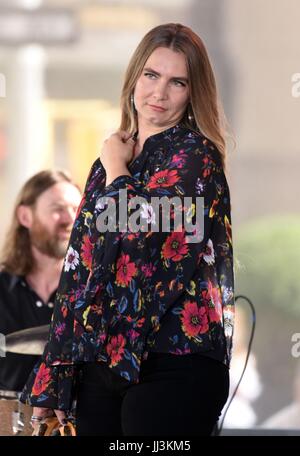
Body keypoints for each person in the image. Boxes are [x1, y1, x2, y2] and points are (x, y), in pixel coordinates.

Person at [21, 23, 235, 436]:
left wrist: (116, 168)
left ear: (192, 93)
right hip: (105, 361)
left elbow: (143, 242)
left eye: (177, 82)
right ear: (134, 77)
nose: (159, 93)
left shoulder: (195, 157)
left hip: (175, 359)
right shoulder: (110, 158)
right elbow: (80, 268)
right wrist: (57, 372)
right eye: (151, 76)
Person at [0, 170, 81, 396]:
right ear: (25, 216)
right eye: (57, 209)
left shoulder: (92, 292)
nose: (69, 219)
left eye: (76, 210)